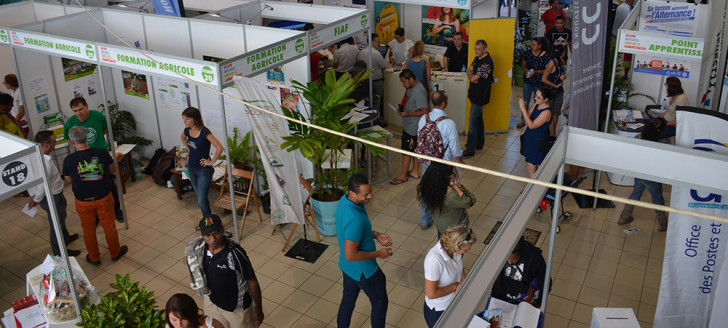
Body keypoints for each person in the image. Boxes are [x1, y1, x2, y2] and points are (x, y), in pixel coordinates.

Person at [62, 126, 128, 266]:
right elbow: (111, 169)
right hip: (103, 197)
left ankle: (94, 257)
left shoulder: (69, 160)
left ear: (72, 142)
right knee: (109, 226)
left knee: (88, 229)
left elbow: (67, 180)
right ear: (87, 137)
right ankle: (115, 252)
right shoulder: (101, 152)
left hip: (82, 201)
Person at [336, 174, 393, 328]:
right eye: (365, 195)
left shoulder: (344, 201)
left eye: (370, 192)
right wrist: (379, 254)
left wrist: (376, 235)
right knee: (380, 302)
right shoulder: (355, 219)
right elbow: (351, 254)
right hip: (365, 271)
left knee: (347, 301)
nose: (370, 197)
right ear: (352, 192)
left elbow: (354, 234)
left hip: (348, 269)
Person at [186, 215, 264, 327]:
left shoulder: (235, 253)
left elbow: (252, 281)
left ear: (222, 230)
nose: (212, 239)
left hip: (237, 309)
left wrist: (258, 310)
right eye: (208, 235)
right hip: (212, 302)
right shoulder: (198, 250)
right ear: (202, 235)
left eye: (216, 233)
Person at [64, 97, 125, 223]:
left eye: (81, 109)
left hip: (101, 155)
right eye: (75, 111)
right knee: (89, 186)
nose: (78, 113)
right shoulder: (70, 123)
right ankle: (95, 215)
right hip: (83, 159)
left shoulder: (98, 116)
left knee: (109, 183)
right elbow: (70, 140)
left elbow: (103, 131)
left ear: (86, 105)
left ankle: (116, 209)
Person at [27, 131, 81, 257]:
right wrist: (36, 199)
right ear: (46, 145)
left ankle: (66, 237)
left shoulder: (35, 157)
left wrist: (33, 195)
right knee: (56, 225)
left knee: (61, 218)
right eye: (53, 142)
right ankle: (60, 252)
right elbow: (42, 186)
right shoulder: (45, 163)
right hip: (52, 198)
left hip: (52, 195)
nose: (55, 144)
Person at [416, 91, 465, 230]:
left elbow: (420, 138)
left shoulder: (423, 118)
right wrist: (459, 159)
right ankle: (449, 219)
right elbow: (455, 145)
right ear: (443, 103)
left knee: (427, 189)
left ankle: (425, 220)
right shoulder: (449, 123)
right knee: (453, 189)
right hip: (444, 164)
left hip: (427, 162)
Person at [618, 117, 669, 231]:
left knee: (635, 193)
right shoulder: (656, 147)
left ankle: (623, 217)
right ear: (659, 131)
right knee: (658, 199)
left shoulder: (638, 137)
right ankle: (663, 225)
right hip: (650, 175)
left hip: (638, 171)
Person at [423, 225, 476, 327]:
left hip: (454, 303)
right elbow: (431, 294)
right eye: (465, 250)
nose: (468, 251)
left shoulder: (454, 251)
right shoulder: (434, 260)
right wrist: (455, 286)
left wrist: (464, 283)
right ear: (455, 246)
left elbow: (458, 267)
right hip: (439, 312)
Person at [181, 107, 223, 218]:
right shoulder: (187, 130)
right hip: (191, 168)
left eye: (187, 119)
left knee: (200, 200)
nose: (184, 122)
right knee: (201, 198)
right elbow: (183, 137)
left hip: (203, 171)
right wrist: (187, 147)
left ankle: (208, 223)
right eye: (183, 119)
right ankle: (208, 222)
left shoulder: (204, 132)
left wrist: (211, 162)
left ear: (194, 119)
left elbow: (219, 147)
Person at [390, 69, 428, 185]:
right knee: (414, 149)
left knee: (407, 150)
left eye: (404, 82)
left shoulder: (418, 92)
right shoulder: (412, 88)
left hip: (413, 127)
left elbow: (425, 111)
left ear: (411, 79)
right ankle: (415, 171)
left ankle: (403, 176)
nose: (403, 85)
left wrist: (408, 114)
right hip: (411, 125)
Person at [417, 163, 475, 238]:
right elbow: (470, 202)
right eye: (452, 173)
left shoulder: (429, 186)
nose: (454, 174)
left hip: (440, 223)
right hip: (453, 229)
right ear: (446, 177)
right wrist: (458, 187)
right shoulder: (450, 194)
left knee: (441, 241)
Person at [491, 237, 548, 307]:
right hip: (501, 299)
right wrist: (524, 288)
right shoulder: (497, 253)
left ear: (520, 253)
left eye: (514, 260)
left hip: (524, 303)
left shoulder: (534, 257)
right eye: (506, 259)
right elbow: (498, 281)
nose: (509, 262)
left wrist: (539, 301)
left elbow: (545, 280)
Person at [463, 40, 494, 158]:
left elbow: (472, 77)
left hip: (480, 96)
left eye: (479, 49)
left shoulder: (486, 63)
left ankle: (470, 149)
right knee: (478, 120)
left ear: (485, 49)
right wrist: (472, 76)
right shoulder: (477, 59)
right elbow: (469, 71)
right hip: (474, 94)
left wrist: (472, 76)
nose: (476, 51)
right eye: (475, 49)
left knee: (472, 123)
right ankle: (479, 144)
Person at [519, 87, 553, 178]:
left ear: (546, 99)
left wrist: (523, 109)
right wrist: (525, 108)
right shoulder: (537, 104)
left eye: (538, 97)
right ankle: (533, 188)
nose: (535, 99)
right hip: (530, 139)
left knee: (531, 168)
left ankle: (532, 190)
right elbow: (528, 117)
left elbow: (531, 125)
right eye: (535, 96)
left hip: (536, 143)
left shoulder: (546, 112)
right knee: (531, 168)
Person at [518, 37, 551, 129]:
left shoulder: (546, 56)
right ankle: (523, 119)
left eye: (534, 45)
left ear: (540, 46)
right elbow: (523, 64)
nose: (532, 46)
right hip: (528, 81)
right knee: (526, 100)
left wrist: (536, 72)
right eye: (531, 44)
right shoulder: (528, 53)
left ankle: (536, 118)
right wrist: (527, 71)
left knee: (538, 101)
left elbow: (548, 69)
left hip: (539, 82)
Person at [358, 33, 389, 117]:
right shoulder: (376, 53)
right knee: (376, 102)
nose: (378, 44)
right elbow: (384, 65)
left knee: (366, 103)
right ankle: (375, 120)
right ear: (373, 41)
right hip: (376, 81)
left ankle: (367, 118)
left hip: (364, 81)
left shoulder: (361, 52)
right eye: (378, 42)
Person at [541, 45, 567, 139]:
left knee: (556, 113)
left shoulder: (562, 62)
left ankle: (552, 133)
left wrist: (564, 77)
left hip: (559, 91)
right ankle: (549, 134)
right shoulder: (551, 63)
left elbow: (562, 75)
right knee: (549, 113)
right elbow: (544, 79)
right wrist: (555, 85)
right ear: (562, 53)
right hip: (550, 92)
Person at [660, 76, 689, 141]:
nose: (665, 86)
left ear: (671, 86)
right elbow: (668, 109)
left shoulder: (681, 99)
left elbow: (676, 121)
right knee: (646, 123)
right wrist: (660, 118)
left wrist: (663, 124)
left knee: (653, 133)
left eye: (666, 84)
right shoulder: (674, 95)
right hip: (666, 120)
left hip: (673, 126)